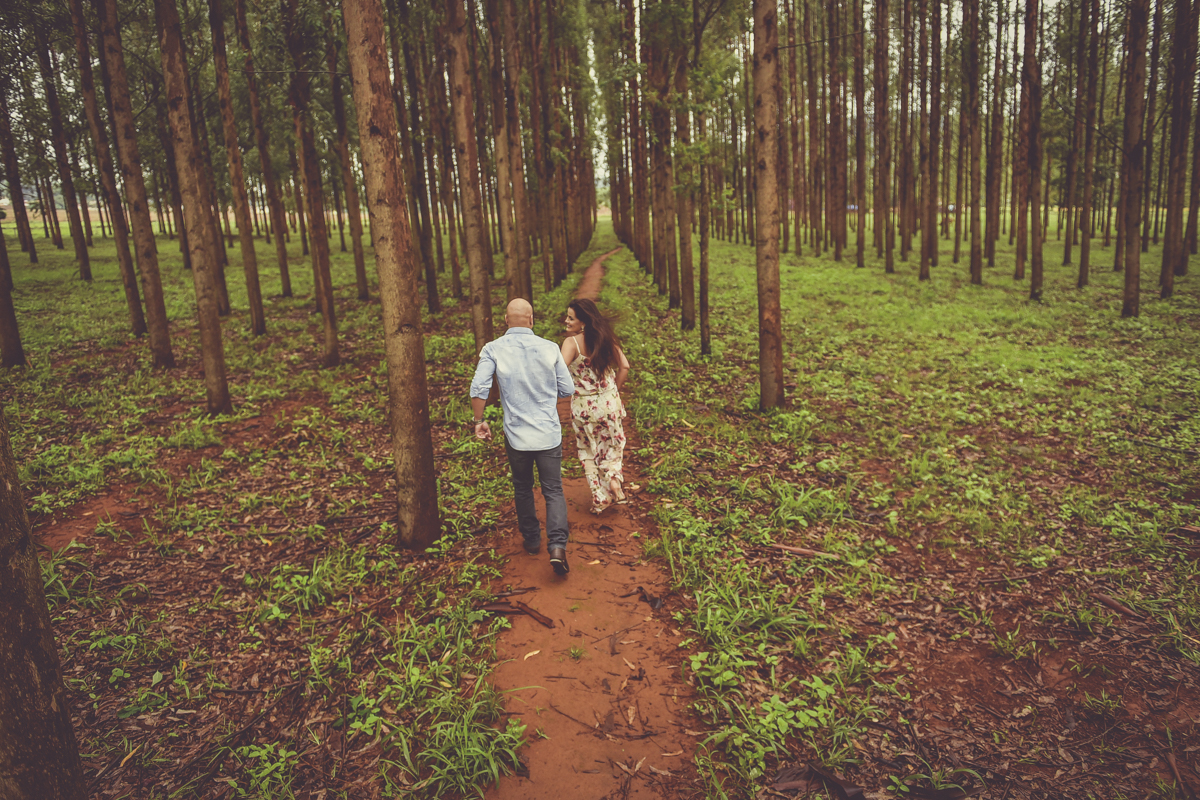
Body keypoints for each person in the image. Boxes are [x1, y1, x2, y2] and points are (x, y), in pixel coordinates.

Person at [470, 298, 576, 576]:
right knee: (553, 489)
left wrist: (479, 421)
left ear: (506, 321)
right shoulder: (550, 347)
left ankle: (531, 541)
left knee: (522, 487)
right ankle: (557, 547)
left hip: (516, 434)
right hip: (548, 433)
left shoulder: (493, 349)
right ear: (531, 320)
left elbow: (479, 386)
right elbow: (567, 388)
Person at [561, 298, 631, 514]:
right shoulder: (605, 338)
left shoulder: (571, 344)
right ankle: (613, 480)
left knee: (588, 450)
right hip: (609, 401)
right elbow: (624, 366)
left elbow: (559, 371)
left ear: (583, 322)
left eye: (571, 318)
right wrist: (614, 390)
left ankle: (600, 498)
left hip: (584, 406)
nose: (566, 321)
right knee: (613, 445)